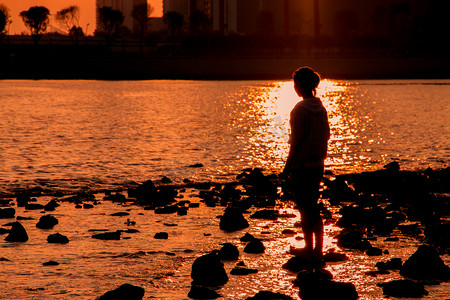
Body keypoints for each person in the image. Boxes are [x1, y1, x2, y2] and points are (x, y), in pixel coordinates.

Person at [282, 66, 330, 259]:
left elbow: (296, 142)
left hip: (301, 167)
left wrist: (286, 169)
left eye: (295, 83)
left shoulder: (300, 109)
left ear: (300, 85)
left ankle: (309, 249)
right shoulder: (321, 108)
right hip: (318, 165)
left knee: (304, 208)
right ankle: (317, 249)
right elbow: (326, 136)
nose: (294, 87)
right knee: (314, 206)